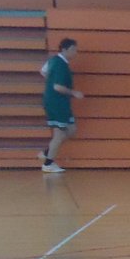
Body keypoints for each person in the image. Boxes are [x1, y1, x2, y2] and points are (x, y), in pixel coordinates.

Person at [39, 38, 83, 174]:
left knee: (71, 130)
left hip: (60, 103)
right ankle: (48, 164)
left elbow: (43, 71)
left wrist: (50, 81)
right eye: (73, 50)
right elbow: (58, 87)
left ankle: (47, 153)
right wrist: (74, 92)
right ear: (64, 50)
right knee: (59, 134)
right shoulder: (61, 65)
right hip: (56, 103)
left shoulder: (53, 60)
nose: (75, 52)